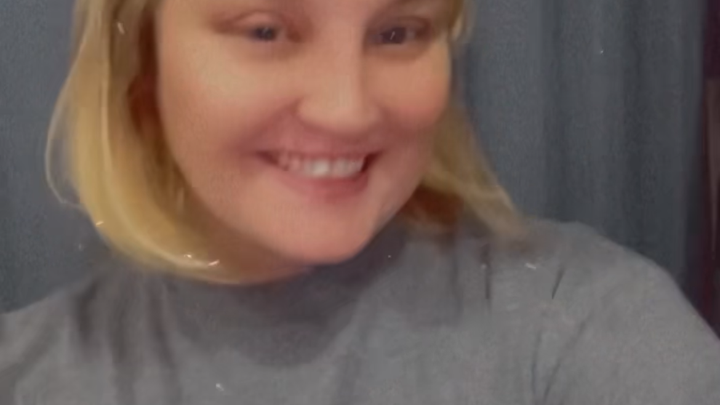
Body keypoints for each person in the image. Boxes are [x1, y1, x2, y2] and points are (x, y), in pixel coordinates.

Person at [1, 0, 719, 403]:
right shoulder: (28, 373)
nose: (347, 110)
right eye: (266, 31)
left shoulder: (580, 325)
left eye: (398, 32)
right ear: (143, 61)